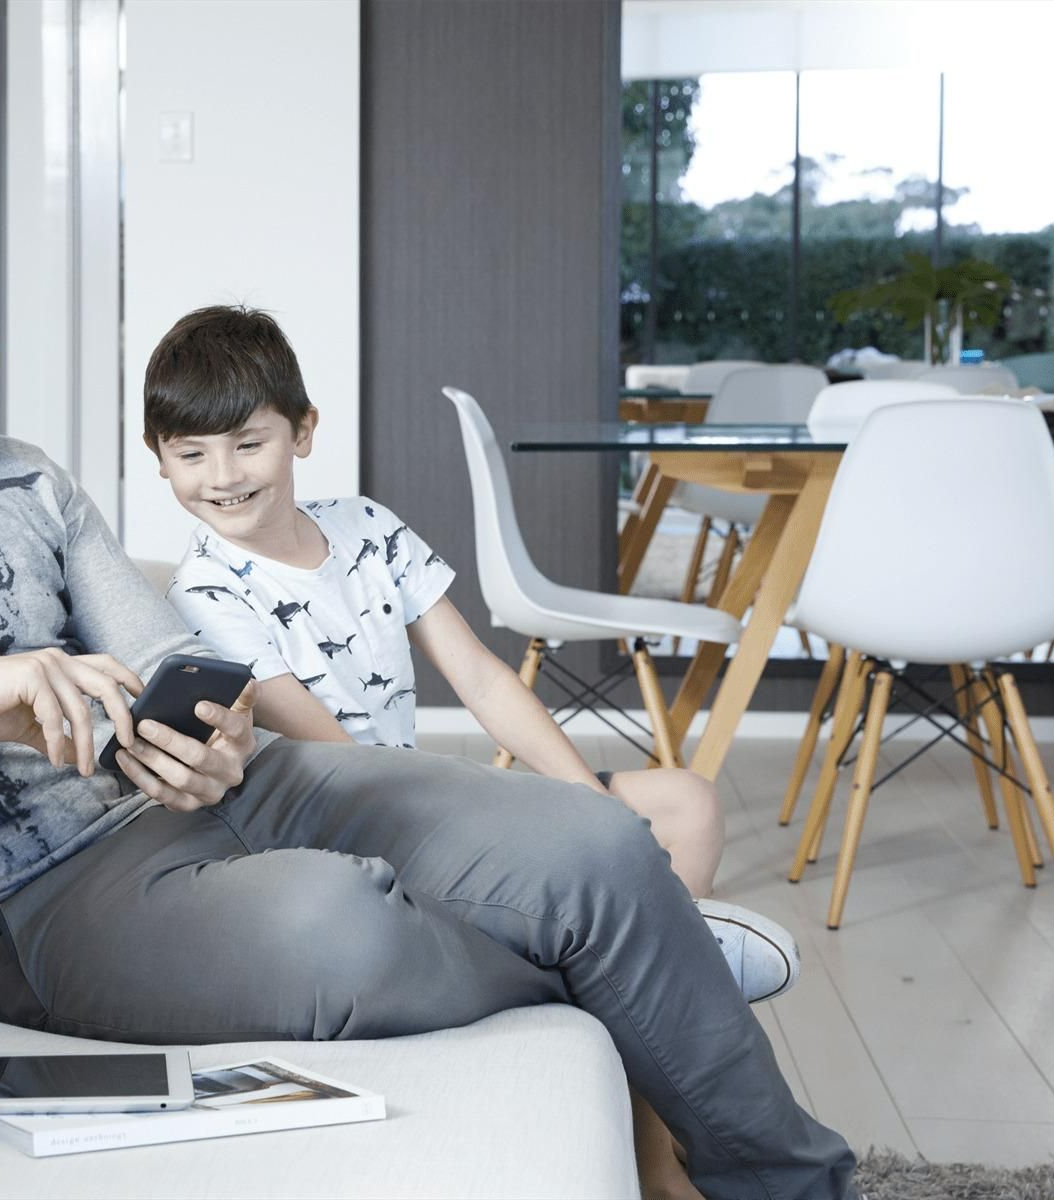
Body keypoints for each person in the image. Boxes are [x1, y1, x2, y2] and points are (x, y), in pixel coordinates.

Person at [0, 157, 855, 1200]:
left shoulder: (19, 471)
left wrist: (209, 731)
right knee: (346, 929)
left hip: (239, 794)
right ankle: (646, 952)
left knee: (591, 839)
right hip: (34, 914)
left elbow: (156, 646)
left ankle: (793, 1179)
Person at [145, 303, 803, 1199]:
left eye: (245, 444)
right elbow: (338, 755)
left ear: (302, 432)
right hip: (353, 829)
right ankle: (666, 1002)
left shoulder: (368, 529)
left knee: (684, 801)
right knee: (611, 892)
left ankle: (657, 1014)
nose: (220, 477)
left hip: (426, 802)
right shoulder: (205, 588)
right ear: (159, 457)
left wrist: (589, 812)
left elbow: (486, 683)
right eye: (190, 455)